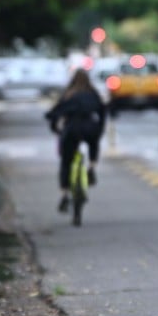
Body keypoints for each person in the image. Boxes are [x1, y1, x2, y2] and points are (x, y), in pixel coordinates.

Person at [45, 68, 107, 213]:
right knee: (93, 142)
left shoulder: (68, 95)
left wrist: (57, 130)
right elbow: (103, 112)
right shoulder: (93, 94)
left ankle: (64, 195)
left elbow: (54, 114)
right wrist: (99, 130)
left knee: (66, 162)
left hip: (72, 129)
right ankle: (92, 166)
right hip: (90, 128)